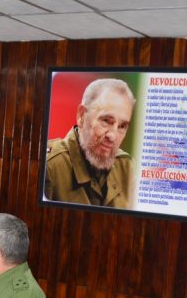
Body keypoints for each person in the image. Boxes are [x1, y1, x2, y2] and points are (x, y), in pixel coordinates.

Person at [44, 78, 135, 208]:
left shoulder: (128, 167)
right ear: (82, 116)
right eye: (106, 120)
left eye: (122, 126)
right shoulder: (49, 167)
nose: (113, 136)